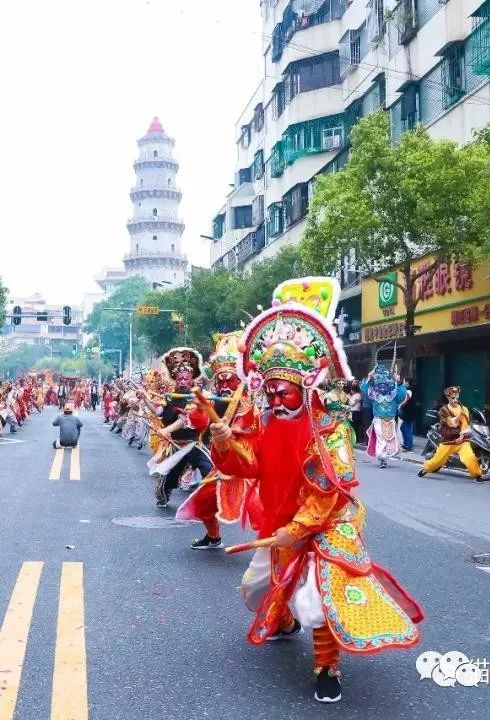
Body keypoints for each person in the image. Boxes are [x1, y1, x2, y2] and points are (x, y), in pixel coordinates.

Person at [208, 276, 422, 704]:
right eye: (269, 391)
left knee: (320, 597)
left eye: (283, 392)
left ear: (304, 386)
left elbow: (328, 487)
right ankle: (283, 622)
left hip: (327, 522)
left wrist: (300, 526)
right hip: (279, 517)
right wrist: (223, 441)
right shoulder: (264, 421)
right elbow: (248, 466)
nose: (275, 399)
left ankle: (327, 669)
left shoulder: (331, 428)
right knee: (255, 591)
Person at [175, 331, 261, 550]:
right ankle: (213, 537)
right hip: (224, 465)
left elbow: (250, 427)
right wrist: (199, 409)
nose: (224, 385)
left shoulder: (247, 403)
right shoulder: (214, 400)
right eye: (220, 380)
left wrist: (233, 431)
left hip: (249, 465)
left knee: (267, 509)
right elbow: (201, 422)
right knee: (202, 503)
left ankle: (278, 547)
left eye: (229, 379)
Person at [146, 347, 212, 508]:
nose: (182, 381)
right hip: (176, 447)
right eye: (179, 379)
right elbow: (158, 412)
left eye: (186, 379)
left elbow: (185, 418)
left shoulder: (196, 397)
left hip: (194, 444)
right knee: (166, 481)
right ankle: (164, 496)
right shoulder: (170, 397)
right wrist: (145, 398)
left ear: (192, 380)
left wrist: (166, 430)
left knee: (210, 471)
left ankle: (210, 501)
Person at [418, 386, 484, 482]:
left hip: (462, 441)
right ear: (448, 397)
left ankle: (477, 475)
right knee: (437, 461)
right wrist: (459, 415)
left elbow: (466, 425)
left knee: (469, 457)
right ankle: (426, 469)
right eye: (452, 396)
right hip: (448, 440)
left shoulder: (464, 409)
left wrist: (462, 436)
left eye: (456, 395)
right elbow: (451, 423)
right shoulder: (443, 410)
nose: (454, 398)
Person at [361, 365, 407, 469]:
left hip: (391, 421)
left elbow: (402, 396)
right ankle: (382, 458)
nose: (382, 387)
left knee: (389, 440)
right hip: (378, 420)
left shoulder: (393, 395)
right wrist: (369, 377)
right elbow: (364, 389)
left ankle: (384, 458)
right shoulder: (374, 395)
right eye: (380, 385)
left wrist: (398, 382)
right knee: (381, 439)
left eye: (385, 385)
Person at [398, 378, 418, 451]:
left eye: (404, 381)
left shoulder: (409, 390)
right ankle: (406, 444)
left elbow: (405, 401)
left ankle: (408, 446)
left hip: (408, 413)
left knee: (407, 429)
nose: (403, 382)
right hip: (409, 412)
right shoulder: (410, 389)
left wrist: (399, 406)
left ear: (407, 382)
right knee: (403, 428)